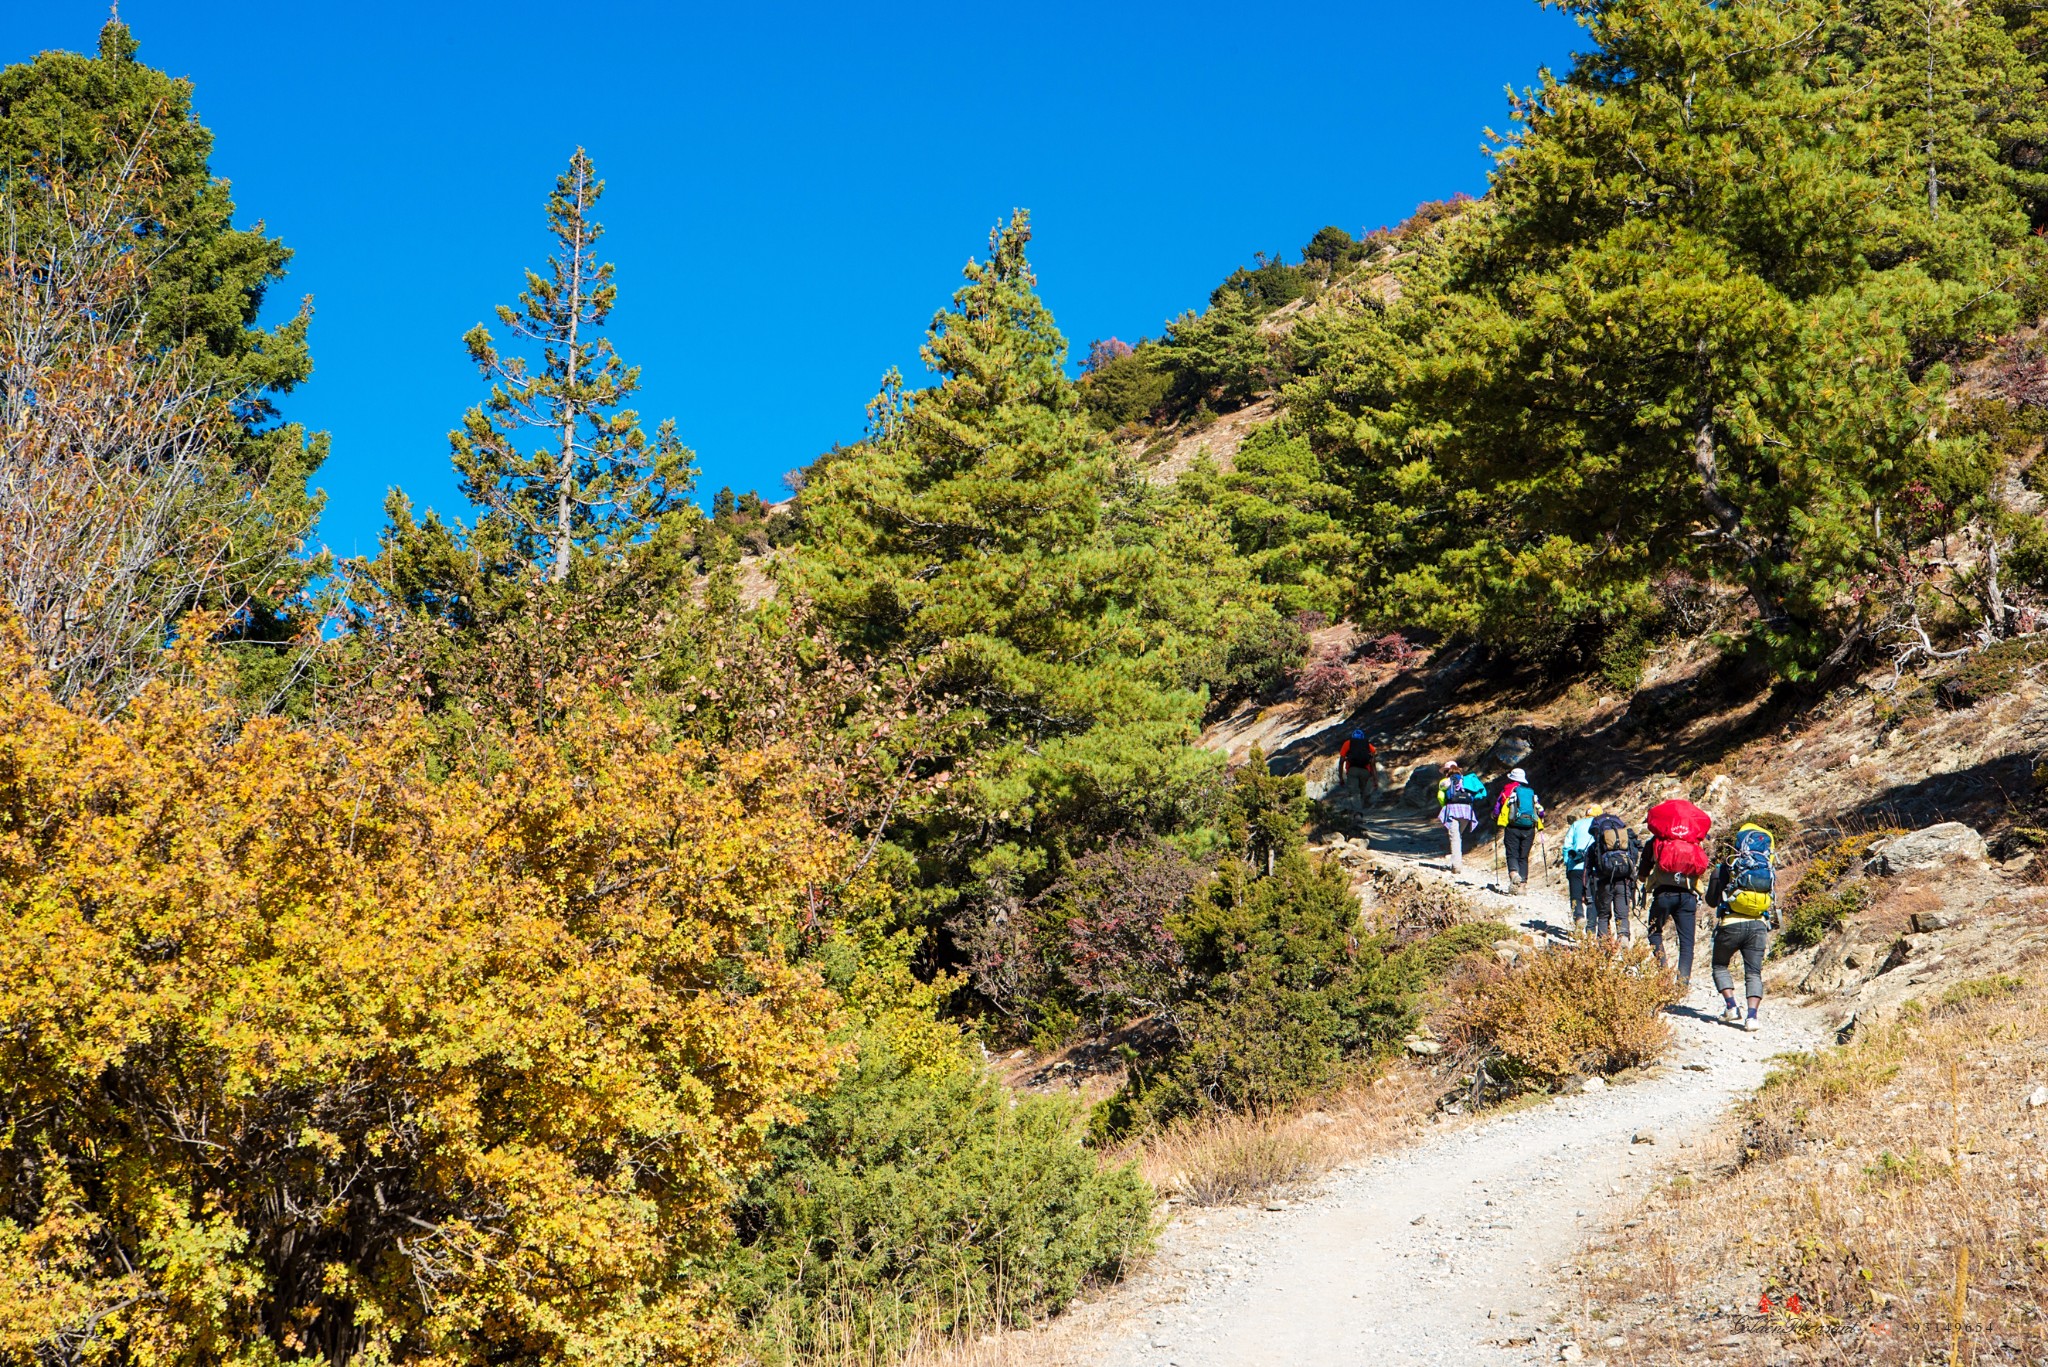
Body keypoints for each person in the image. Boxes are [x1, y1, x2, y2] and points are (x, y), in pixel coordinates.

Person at [1704, 823, 1780, 1031]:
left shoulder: (1726, 867)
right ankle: (1752, 1017)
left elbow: (1711, 900)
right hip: (1758, 926)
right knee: (1753, 973)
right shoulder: (1767, 869)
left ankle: (1731, 1007)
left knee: (1719, 965)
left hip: (1730, 924)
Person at [1640, 818, 1705, 989]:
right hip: (1687, 896)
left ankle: (1663, 975)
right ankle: (1682, 983)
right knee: (1687, 941)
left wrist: (1643, 879)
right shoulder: (1694, 842)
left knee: (1654, 932)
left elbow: (1645, 865)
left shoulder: (1657, 841)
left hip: (1663, 894)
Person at [1584, 808, 1638, 939]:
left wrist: (1585, 892)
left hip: (1604, 883)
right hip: (1623, 882)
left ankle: (1604, 947)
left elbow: (1587, 870)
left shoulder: (1595, 847)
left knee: (1603, 916)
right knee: (1622, 915)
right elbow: (1634, 859)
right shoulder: (1625, 844)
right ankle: (1623, 937)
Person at [1492, 767, 1544, 896]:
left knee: (1512, 854)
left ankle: (1514, 874)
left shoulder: (1508, 790)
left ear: (1511, 777)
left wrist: (1495, 816)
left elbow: (1498, 808)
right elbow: (1541, 811)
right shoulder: (1530, 793)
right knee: (1523, 856)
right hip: (1529, 828)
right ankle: (1522, 887)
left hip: (1512, 827)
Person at [1436, 761, 1483, 874]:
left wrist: (1444, 806)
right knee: (1458, 835)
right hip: (1467, 811)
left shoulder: (1445, 782)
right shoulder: (1467, 780)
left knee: (1455, 837)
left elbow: (1440, 796)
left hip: (1453, 809)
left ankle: (1457, 865)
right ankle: (1456, 860)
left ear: (1447, 772)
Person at [1561, 806, 1599, 932]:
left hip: (1576, 865)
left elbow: (1567, 846)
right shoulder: (1601, 825)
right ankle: (1591, 929)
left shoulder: (1576, 824)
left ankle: (1578, 917)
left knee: (1576, 896)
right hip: (1594, 868)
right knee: (1592, 899)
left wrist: (1568, 864)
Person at [1338, 729, 1379, 803]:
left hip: (1352, 770)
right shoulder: (1368, 745)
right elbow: (1373, 764)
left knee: (1354, 793)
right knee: (1362, 792)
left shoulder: (1347, 743)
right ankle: (1362, 809)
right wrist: (1375, 780)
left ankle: (1357, 812)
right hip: (1365, 771)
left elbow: (1341, 762)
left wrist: (1341, 778)